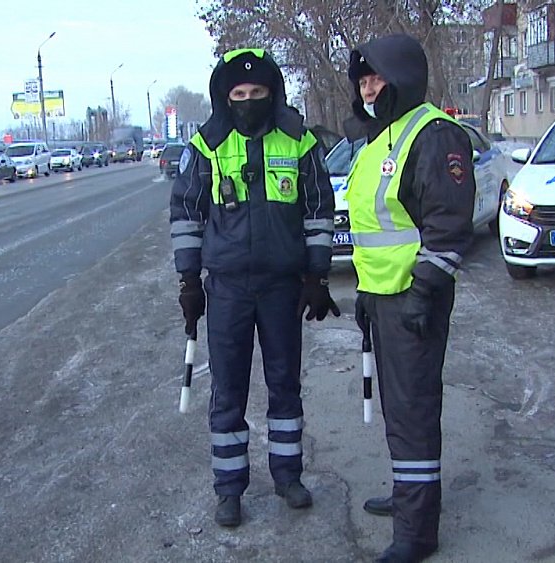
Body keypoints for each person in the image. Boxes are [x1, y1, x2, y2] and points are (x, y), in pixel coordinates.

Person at [169, 48, 339, 529]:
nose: (248, 101)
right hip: (227, 290)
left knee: (285, 385)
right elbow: (186, 214)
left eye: (257, 92)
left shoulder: (300, 143)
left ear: (273, 93)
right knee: (228, 390)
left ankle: (288, 476)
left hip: (282, 288)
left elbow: (318, 210)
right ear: (225, 97)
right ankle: (229, 490)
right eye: (239, 94)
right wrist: (188, 281)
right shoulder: (206, 146)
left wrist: (317, 274)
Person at [345, 34, 476, 563]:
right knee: (399, 408)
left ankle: (417, 532)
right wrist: (363, 290)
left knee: (414, 410)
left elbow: (448, 225)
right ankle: (407, 499)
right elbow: (372, 226)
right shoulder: (382, 138)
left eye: (376, 77)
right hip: (384, 296)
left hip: (413, 298)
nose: (368, 87)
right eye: (362, 80)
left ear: (401, 77)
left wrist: (424, 291)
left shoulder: (433, 133)